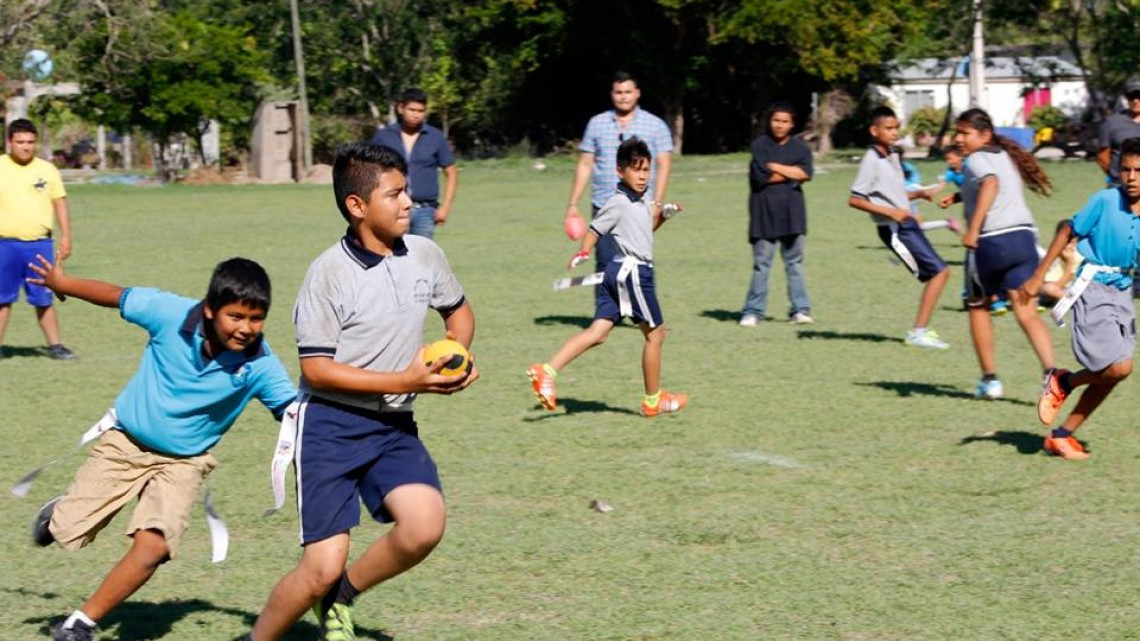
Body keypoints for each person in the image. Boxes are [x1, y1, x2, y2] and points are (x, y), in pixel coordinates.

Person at [245, 142, 477, 641]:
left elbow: (458, 310)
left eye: (407, 191)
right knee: (319, 568)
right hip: (330, 426)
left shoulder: (425, 254)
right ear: (357, 206)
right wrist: (408, 381)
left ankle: (342, 597)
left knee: (423, 527)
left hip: (393, 426)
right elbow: (317, 371)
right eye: (394, 194)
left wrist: (457, 356)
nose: (408, 203)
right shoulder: (327, 274)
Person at [24, 257, 297, 641]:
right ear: (209, 308)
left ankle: (79, 624)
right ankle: (59, 513)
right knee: (69, 530)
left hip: (185, 463)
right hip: (126, 443)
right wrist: (62, 282)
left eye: (256, 319)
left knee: (154, 547)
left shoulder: (260, 365)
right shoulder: (169, 313)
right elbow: (116, 297)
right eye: (235, 316)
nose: (246, 329)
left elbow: (293, 414)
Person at [528, 137, 687, 416]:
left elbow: (646, 230)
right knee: (656, 336)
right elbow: (594, 229)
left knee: (599, 333)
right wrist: (583, 252)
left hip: (620, 272)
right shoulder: (618, 202)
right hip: (633, 273)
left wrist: (664, 216)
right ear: (620, 171)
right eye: (635, 169)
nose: (642, 175)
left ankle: (547, 370)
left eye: (646, 169)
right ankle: (653, 401)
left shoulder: (642, 199)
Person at [1020, 137, 1140, 460]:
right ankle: (1064, 380)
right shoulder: (1104, 200)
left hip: (1122, 291)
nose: (1131, 177)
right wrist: (1036, 277)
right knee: (1119, 368)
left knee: (1113, 374)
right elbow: (1067, 232)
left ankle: (1062, 434)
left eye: (1138, 171)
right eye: (1126, 170)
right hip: (1092, 287)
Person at [940, 107, 1055, 399]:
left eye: (965, 133)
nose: (959, 138)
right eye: (958, 132)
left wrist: (972, 230)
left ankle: (990, 381)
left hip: (991, 242)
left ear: (984, 134)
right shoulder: (1004, 155)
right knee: (1026, 311)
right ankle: (1052, 375)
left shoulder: (975, 159)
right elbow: (993, 186)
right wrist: (959, 196)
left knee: (978, 306)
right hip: (1024, 238)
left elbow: (990, 185)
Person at [564, 71, 674, 314]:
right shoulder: (597, 123)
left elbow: (664, 164)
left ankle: (642, 311)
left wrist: (657, 201)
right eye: (618, 92)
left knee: (639, 260)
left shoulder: (655, 125)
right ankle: (607, 312)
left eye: (628, 92)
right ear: (612, 94)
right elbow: (585, 163)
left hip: (639, 206)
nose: (623, 97)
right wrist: (573, 204)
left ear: (637, 93)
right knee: (605, 262)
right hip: (604, 203)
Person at [847, 106, 951, 349]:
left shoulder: (892, 155)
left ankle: (921, 330)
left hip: (906, 225)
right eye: (889, 128)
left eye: (896, 128)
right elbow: (855, 199)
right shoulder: (871, 160)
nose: (894, 133)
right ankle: (918, 332)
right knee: (940, 273)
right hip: (894, 230)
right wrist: (892, 212)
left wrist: (919, 194)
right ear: (874, 130)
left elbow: (892, 194)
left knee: (937, 274)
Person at [0, 118, 76, 360]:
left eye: (31, 142)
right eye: (20, 142)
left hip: (40, 245)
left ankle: (56, 346)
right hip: (5, 245)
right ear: (9, 142)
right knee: (2, 300)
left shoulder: (47, 169)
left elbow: (60, 203)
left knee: (44, 298)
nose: (26, 147)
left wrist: (67, 236)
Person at [739, 102, 814, 327]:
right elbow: (761, 177)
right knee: (762, 264)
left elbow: (806, 173)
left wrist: (776, 167)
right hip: (764, 212)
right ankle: (753, 311)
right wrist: (792, 172)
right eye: (776, 120)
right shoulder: (760, 145)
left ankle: (800, 309)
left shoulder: (801, 148)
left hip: (793, 214)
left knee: (795, 263)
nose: (779, 125)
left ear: (792, 125)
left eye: (784, 121)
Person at [369, 88, 458, 239]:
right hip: (393, 208)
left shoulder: (435, 137)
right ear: (401, 108)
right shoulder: (383, 137)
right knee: (392, 258)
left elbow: (451, 172)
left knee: (421, 258)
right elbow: (369, 171)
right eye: (412, 110)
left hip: (425, 211)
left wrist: (445, 208)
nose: (416, 115)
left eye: (420, 111)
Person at [1096, 78, 1140, 186]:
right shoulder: (1111, 123)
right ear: (1126, 98)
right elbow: (1102, 157)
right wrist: (1117, 177)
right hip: (1120, 186)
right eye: (1132, 97)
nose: (1136, 100)